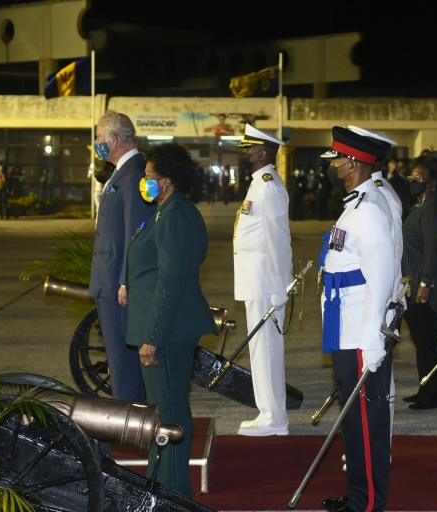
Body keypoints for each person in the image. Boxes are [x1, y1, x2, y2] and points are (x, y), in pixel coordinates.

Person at [126, 142, 217, 498]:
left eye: (148, 176)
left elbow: (170, 281)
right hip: (167, 326)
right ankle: (161, 484)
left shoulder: (177, 213)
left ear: (165, 181)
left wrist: (153, 337)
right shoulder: (168, 210)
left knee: (170, 416)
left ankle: (175, 494)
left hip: (167, 330)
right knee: (164, 413)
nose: (144, 182)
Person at [319, 126, 399, 512]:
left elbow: (381, 277)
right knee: (353, 420)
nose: (333, 165)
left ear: (353, 162)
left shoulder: (368, 210)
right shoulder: (355, 203)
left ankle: (367, 504)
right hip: (344, 324)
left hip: (359, 329)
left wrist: (372, 339)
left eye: (337, 159)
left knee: (366, 422)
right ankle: (357, 495)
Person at [88, 110, 155, 403]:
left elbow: (137, 234)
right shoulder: (123, 172)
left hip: (119, 286)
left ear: (113, 140)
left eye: (99, 138)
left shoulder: (136, 174)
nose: (97, 143)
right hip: (111, 282)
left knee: (125, 364)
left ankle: (131, 428)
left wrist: (127, 281)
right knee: (119, 360)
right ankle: (129, 423)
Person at [233, 124, 293, 437]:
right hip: (256, 281)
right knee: (259, 350)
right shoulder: (258, 184)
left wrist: (281, 287)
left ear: (263, 152)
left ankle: (275, 418)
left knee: (267, 350)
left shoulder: (268, 187)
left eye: (248, 149)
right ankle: (267, 412)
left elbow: (279, 240)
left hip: (267, 285)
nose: (244, 153)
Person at [401, 154, 437, 410]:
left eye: (419, 178)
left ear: (433, 182)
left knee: (426, 341)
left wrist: (426, 282)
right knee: (425, 341)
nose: (413, 181)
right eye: (411, 177)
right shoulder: (422, 203)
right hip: (416, 283)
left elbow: (435, 247)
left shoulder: (433, 207)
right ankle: (430, 389)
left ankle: (433, 395)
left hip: (426, 286)